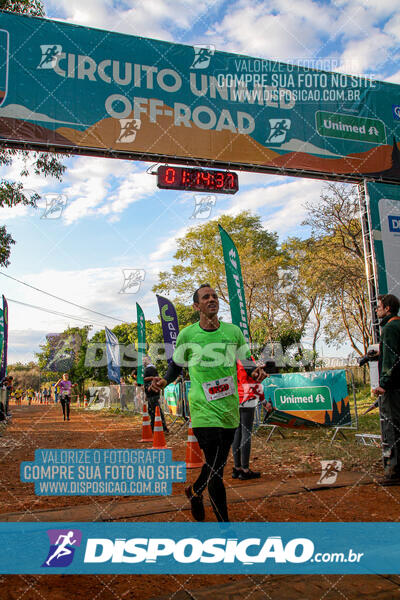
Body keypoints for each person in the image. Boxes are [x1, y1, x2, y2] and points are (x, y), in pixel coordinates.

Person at [146, 284, 266, 522]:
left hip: (229, 409)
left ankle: (194, 491)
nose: (212, 299)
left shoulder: (233, 332)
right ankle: (225, 528)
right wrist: (164, 381)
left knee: (215, 466)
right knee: (216, 471)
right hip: (202, 409)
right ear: (196, 306)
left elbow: (247, 362)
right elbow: (176, 366)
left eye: (214, 296)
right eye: (206, 297)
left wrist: (257, 373)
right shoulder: (187, 335)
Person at [372, 294, 400, 485]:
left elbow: (391, 361)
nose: (377, 309)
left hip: (393, 388)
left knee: (391, 428)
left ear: (388, 308)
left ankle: (393, 471)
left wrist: (383, 384)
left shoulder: (389, 328)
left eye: (379, 306)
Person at [231, 360, 265, 480]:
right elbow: (255, 381)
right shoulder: (246, 358)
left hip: (234, 398)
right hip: (247, 397)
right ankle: (245, 470)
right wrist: (263, 399)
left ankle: (237, 468)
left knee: (237, 432)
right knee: (246, 433)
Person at [143, 356, 168, 432]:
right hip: (152, 392)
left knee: (155, 410)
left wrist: (147, 379)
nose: (143, 361)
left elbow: (151, 378)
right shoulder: (152, 368)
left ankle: (158, 427)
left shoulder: (149, 369)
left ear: (149, 360)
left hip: (152, 392)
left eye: (145, 360)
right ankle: (158, 426)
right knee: (154, 410)